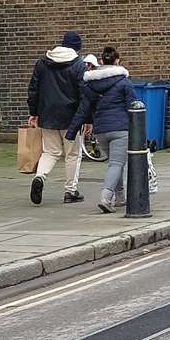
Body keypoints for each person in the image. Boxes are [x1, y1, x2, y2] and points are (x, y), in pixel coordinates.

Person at [69, 45, 135, 214]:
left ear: (100, 61)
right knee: (116, 164)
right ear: (117, 61)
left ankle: (120, 198)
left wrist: (71, 131)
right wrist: (141, 133)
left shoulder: (90, 85)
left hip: (101, 130)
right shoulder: (124, 83)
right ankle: (105, 198)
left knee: (115, 163)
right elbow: (134, 108)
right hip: (120, 129)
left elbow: (83, 109)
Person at [27, 30, 86, 205]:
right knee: (73, 154)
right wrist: (88, 118)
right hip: (72, 117)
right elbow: (84, 93)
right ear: (77, 48)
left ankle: (40, 176)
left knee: (50, 151)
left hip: (47, 113)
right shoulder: (78, 65)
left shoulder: (42, 63)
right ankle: (70, 191)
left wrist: (33, 112)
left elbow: (33, 90)